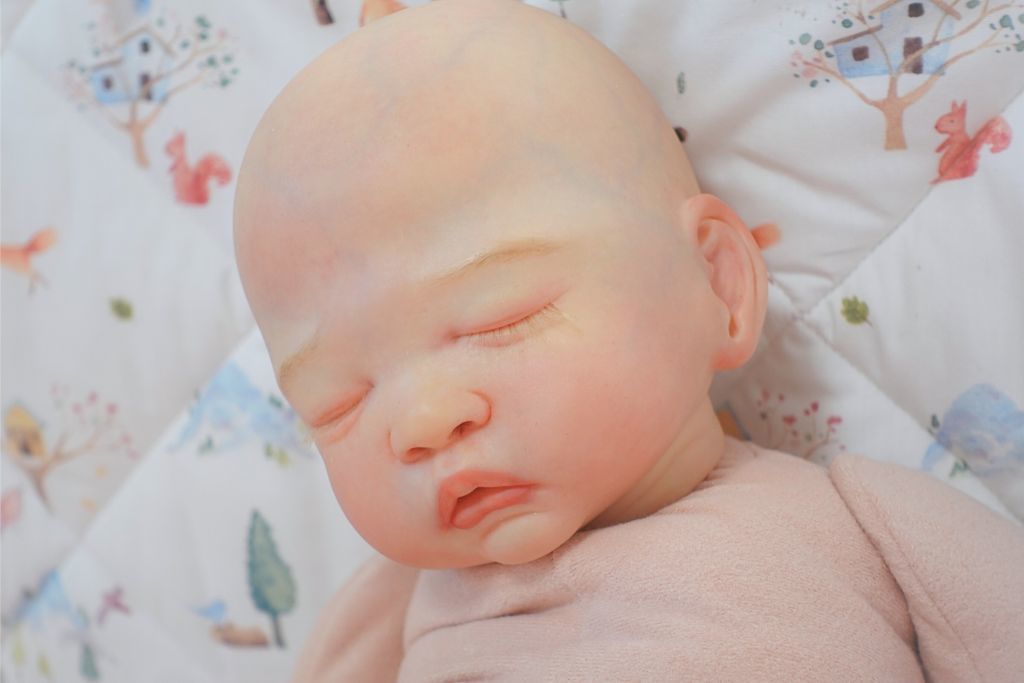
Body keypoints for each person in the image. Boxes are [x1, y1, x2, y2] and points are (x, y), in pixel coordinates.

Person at [232, 1, 1024, 680]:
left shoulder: (868, 524)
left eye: (499, 319)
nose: (422, 420)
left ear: (717, 283)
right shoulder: (393, 609)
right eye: (337, 402)